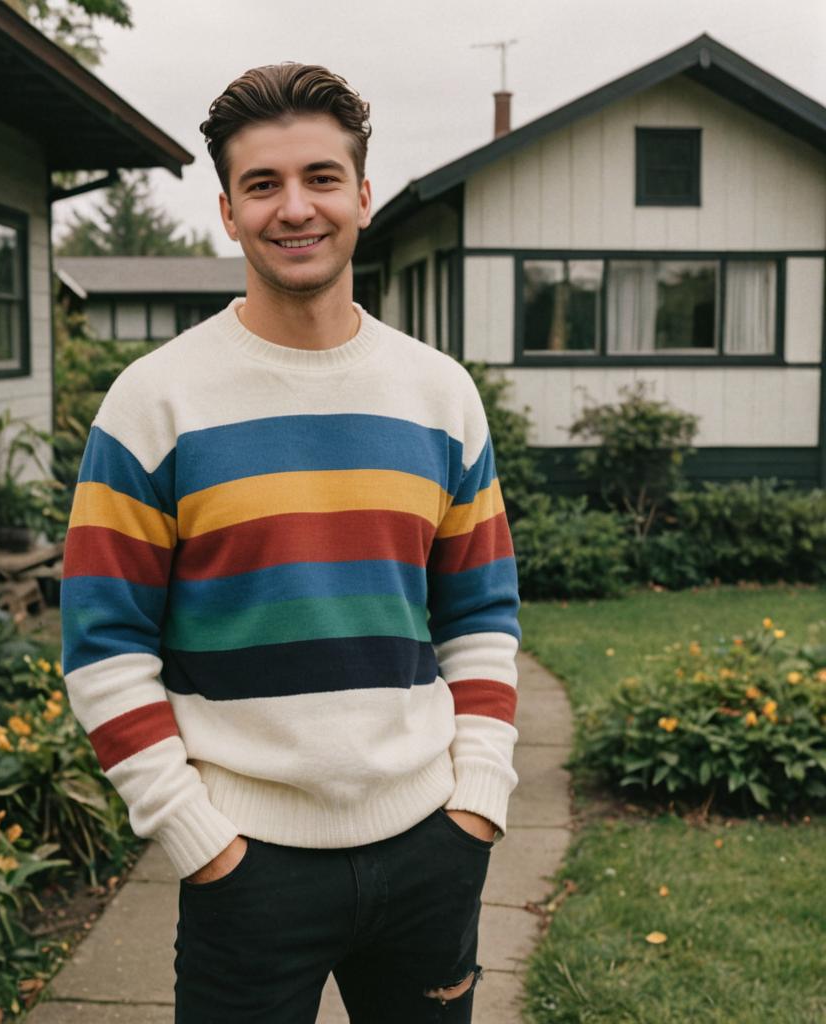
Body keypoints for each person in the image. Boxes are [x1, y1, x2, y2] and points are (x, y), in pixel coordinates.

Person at [60, 62, 521, 1024]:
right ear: (228, 212)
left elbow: (480, 616)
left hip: (431, 848)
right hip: (245, 868)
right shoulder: (156, 401)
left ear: (361, 193)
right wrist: (197, 837)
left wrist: (477, 798)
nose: (294, 208)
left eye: (320, 178)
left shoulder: (439, 395)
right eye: (263, 185)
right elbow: (103, 650)